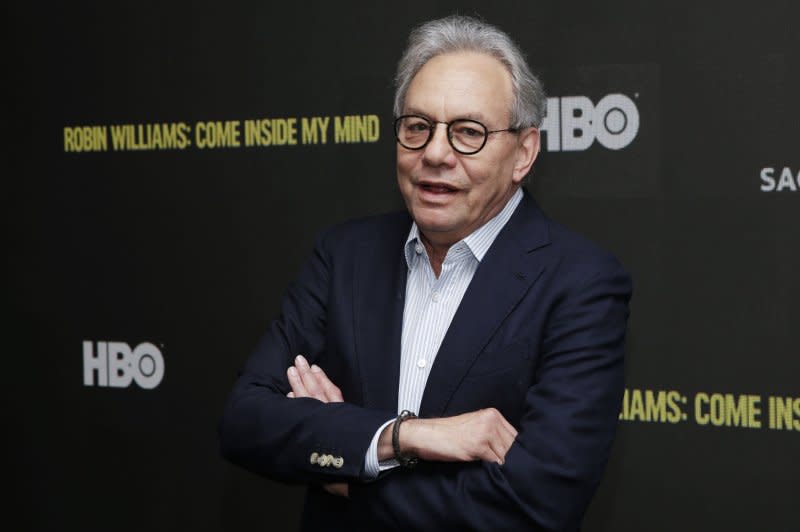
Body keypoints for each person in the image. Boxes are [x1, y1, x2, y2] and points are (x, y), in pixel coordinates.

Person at [220, 14, 632, 531]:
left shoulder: (582, 284)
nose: (435, 153)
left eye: (468, 132)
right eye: (418, 127)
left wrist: (342, 459)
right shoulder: (344, 255)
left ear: (523, 153)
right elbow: (244, 421)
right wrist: (402, 436)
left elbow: (534, 506)